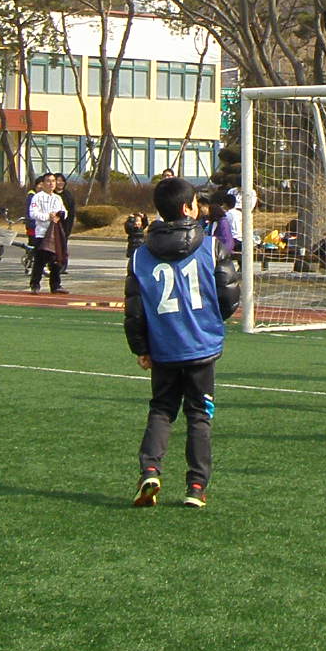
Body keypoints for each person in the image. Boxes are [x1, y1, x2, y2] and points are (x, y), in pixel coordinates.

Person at [125, 175, 241, 508]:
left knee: (161, 410)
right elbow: (229, 297)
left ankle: (150, 469)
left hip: (163, 348)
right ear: (190, 208)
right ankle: (196, 486)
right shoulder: (211, 246)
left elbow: (134, 309)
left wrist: (141, 347)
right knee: (199, 415)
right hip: (202, 347)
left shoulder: (141, 255)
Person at [28, 172, 69, 293]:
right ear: (43, 183)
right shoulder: (38, 197)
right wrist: (47, 216)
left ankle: (55, 285)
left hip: (55, 234)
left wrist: (59, 216)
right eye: (48, 181)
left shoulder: (57, 198)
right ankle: (35, 284)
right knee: (40, 260)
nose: (51, 184)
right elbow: (33, 213)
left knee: (56, 260)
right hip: (42, 233)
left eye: (53, 181)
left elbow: (65, 212)